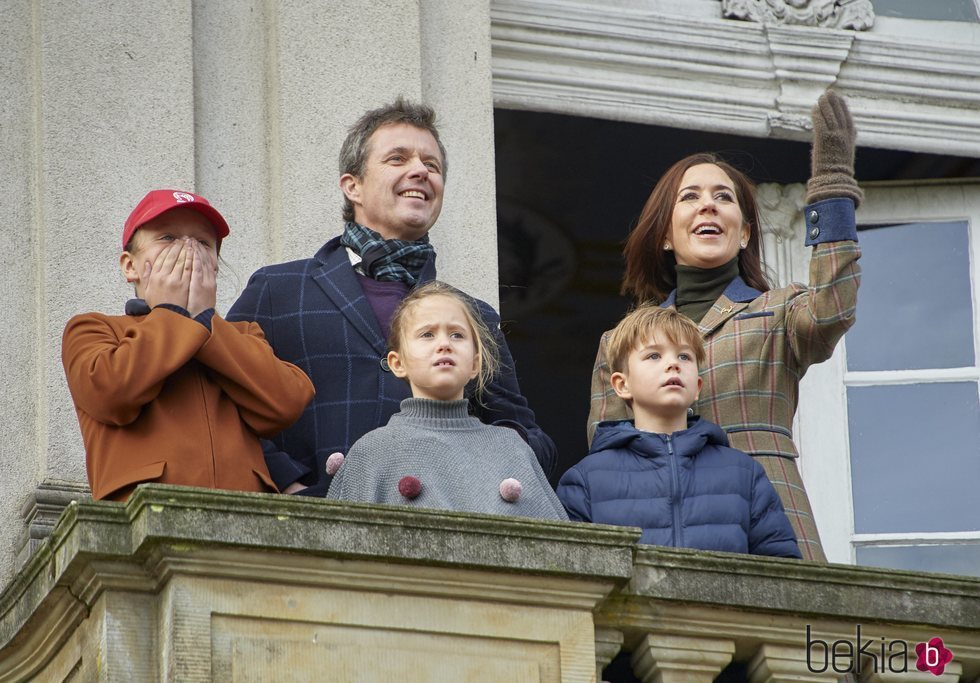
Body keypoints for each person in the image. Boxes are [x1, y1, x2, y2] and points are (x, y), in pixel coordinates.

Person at [228, 98, 556, 496]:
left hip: (437, 533)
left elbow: (524, 434)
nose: (419, 170)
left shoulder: (475, 316)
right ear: (353, 186)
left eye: (431, 165)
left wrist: (487, 477)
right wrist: (289, 482)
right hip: (311, 528)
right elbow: (220, 397)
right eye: (398, 159)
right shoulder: (278, 290)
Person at [587, 91, 861, 561]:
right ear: (666, 235)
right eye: (689, 198)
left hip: (770, 520)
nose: (708, 206)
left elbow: (833, 307)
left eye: (724, 198)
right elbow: (608, 452)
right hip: (661, 528)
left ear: (746, 231)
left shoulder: (779, 311)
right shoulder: (622, 342)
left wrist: (832, 187)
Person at [62, 190, 315, 501]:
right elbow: (110, 392)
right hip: (142, 517)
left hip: (245, 523)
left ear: (215, 268)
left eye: (203, 243)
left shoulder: (242, 334)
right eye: (168, 238)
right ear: (130, 266)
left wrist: (206, 323)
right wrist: (172, 314)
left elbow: (286, 403)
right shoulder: (93, 328)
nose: (188, 251)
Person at [561, 306, 800, 557]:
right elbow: (571, 577)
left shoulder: (745, 474)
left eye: (684, 357)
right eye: (654, 356)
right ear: (622, 385)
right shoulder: (585, 480)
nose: (673, 364)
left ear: (697, 387)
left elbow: (782, 571)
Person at [327, 281, 567, 520]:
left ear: (475, 364)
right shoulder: (370, 453)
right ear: (397, 363)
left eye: (457, 334)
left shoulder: (513, 449)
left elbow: (560, 549)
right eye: (427, 334)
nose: (444, 344)